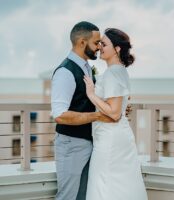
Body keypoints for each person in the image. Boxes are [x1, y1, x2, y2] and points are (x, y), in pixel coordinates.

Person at [51, 21, 115, 200]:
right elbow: (60, 115)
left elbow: (87, 100)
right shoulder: (65, 72)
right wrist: (99, 116)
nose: (99, 47)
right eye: (96, 43)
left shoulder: (86, 68)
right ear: (81, 42)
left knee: (83, 196)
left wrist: (115, 107)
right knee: (68, 196)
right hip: (71, 145)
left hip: (88, 142)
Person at [84, 28, 148, 200]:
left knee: (103, 185)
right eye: (99, 43)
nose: (100, 47)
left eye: (104, 44)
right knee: (119, 185)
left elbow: (114, 113)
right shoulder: (120, 71)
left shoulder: (113, 73)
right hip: (116, 136)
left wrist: (91, 95)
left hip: (110, 139)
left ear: (117, 49)